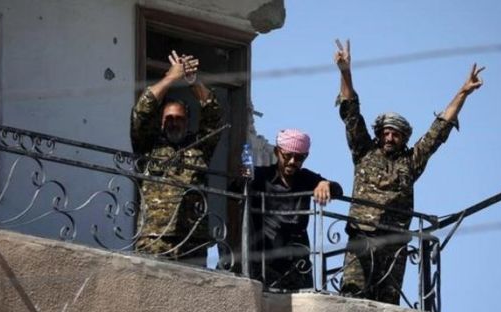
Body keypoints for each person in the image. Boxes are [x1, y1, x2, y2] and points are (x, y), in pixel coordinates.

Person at [334, 39, 484, 304]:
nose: (390, 138)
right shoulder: (364, 152)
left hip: (394, 245)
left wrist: (463, 93)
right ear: (379, 135)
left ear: (404, 138)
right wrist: (345, 72)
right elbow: (351, 113)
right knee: (352, 299)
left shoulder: (410, 162)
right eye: (386, 133)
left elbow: (438, 131)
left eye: (396, 134)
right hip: (362, 237)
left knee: (387, 307)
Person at [131, 50, 222, 267]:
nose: (174, 123)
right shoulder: (148, 145)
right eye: (168, 118)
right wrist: (171, 77)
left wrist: (193, 80)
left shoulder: (200, 148)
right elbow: (141, 111)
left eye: (179, 119)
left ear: (187, 122)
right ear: (161, 121)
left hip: (193, 242)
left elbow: (214, 116)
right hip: (154, 239)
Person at [240, 129, 343, 290]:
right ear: (277, 151)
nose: (292, 162)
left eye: (299, 157)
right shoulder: (261, 176)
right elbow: (234, 191)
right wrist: (243, 180)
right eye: (287, 156)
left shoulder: (306, 178)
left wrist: (325, 183)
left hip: (298, 264)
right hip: (265, 262)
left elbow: (338, 190)